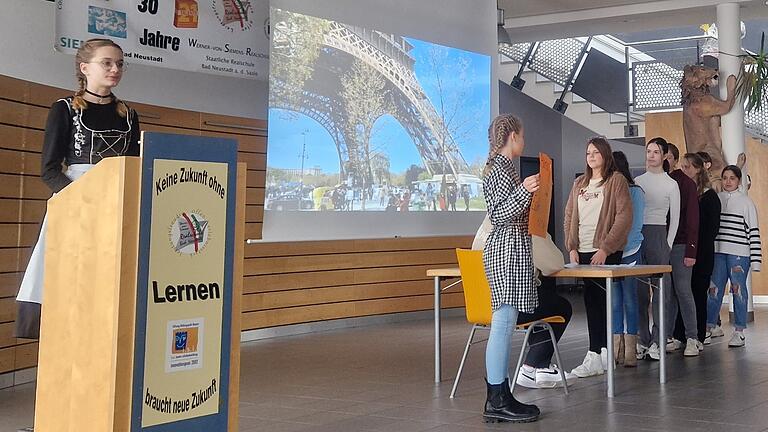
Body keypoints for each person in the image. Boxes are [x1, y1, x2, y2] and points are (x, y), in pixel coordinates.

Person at [14, 38, 140, 341]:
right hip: (74, 206)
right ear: (85, 68)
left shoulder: (129, 115)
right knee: (70, 280)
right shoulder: (65, 109)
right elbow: (49, 170)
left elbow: (135, 167)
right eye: (106, 63)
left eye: (120, 63)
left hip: (116, 208)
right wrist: (81, 200)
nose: (115, 69)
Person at [481, 114, 541, 423]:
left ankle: (500, 394)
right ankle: (497, 398)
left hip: (510, 249)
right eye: (522, 133)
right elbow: (499, 214)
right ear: (513, 136)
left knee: (504, 322)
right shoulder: (499, 170)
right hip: (506, 250)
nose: (524, 138)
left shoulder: (502, 168)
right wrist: (526, 190)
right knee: (503, 323)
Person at [472, 216, 572, 389]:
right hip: (511, 305)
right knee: (561, 306)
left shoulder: (484, 226)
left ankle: (537, 366)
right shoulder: (526, 223)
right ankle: (533, 365)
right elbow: (554, 264)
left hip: (483, 306)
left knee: (540, 301)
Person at [565, 137, 632, 378]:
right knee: (591, 301)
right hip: (581, 250)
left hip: (605, 251)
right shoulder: (579, 183)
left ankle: (597, 353)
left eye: (595, 152)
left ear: (605, 154)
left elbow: (624, 217)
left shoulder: (616, 181)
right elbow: (569, 215)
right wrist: (571, 246)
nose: (591, 156)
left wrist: (605, 248)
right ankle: (599, 353)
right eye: (588, 153)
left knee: (603, 301)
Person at [635, 137, 680, 361]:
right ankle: (642, 339)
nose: (651, 155)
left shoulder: (671, 184)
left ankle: (658, 340)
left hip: (659, 235)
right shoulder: (638, 180)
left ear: (664, 156)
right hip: (637, 237)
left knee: (661, 293)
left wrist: (668, 244)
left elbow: (676, 219)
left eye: (655, 152)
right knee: (639, 292)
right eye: (649, 151)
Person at [707, 165, 762, 347]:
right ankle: (709, 326)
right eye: (725, 178)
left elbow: (753, 233)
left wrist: (756, 262)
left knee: (738, 291)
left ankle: (739, 331)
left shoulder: (746, 203)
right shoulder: (717, 199)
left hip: (740, 254)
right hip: (718, 252)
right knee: (713, 290)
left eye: (732, 178)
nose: (728, 181)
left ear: (739, 181)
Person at [664, 143, 701, 357]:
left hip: (680, 245)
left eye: (667, 156)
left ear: (674, 160)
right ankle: (666, 336)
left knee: (683, 290)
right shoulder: (656, 182)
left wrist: (691, 250)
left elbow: (692, 220)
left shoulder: (685, 183)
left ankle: (693, 338)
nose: (664, 160)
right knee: (666, 294)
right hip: (662, 245)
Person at [680, 153, 720, 345]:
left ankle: (699, 335)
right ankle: (681, 334)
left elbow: (711, 229)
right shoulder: (682, 192)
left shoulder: (709, 196)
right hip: (685, 250)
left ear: (697, 169)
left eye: (687, 166)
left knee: (698, 292)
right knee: (682, 292)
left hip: (702, 253)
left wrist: (696, 250)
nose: (684, 170)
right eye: (683, 166)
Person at [610, 151, 644, 367]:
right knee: (614, 302)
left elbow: (636, 223)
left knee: (630, 300)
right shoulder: (608, 190)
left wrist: (620, 245)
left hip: (630, 250)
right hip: (612, 253)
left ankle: (630, 349)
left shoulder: (636, 192)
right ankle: (616, 349)